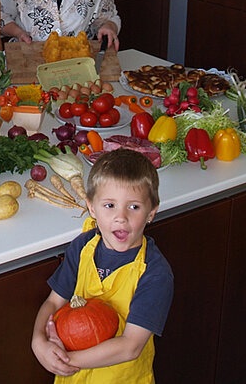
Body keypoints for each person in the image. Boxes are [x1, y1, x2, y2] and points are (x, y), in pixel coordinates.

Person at [32, 149, 173, 382]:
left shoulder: (155, 273)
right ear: (92, 208)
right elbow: (54, 301)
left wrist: (66, 360)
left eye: (134, 207)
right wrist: (38, 341)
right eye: (110, 205)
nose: (121, 217)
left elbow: (131, 346)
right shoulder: (83, 247)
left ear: (151, 212)